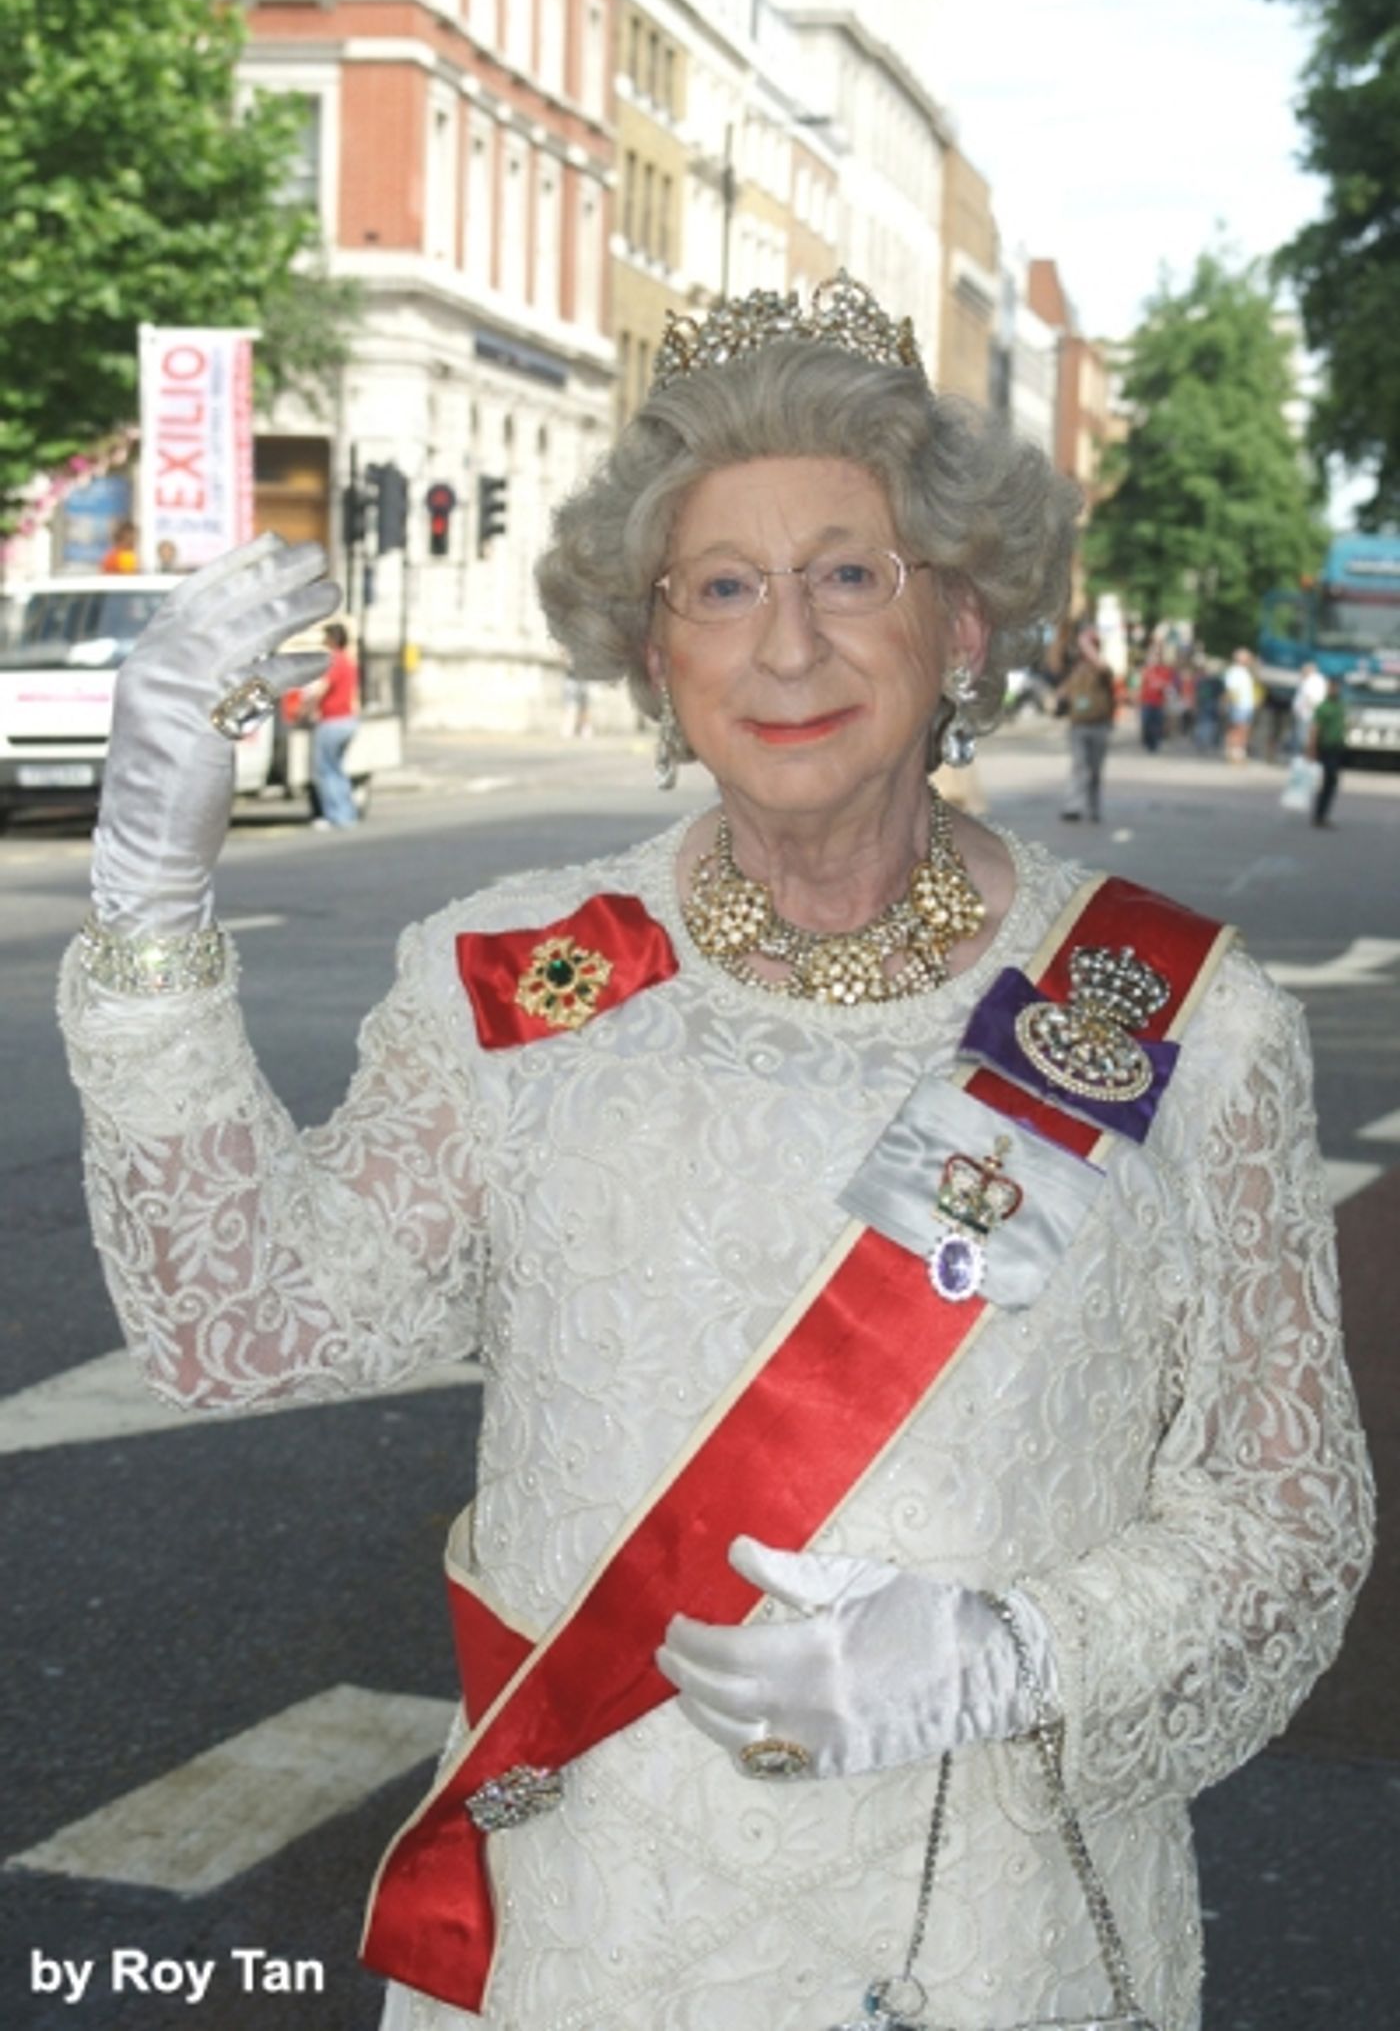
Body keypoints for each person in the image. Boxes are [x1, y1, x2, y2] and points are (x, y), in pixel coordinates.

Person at [58, 275, 1371, 2031]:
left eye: (851, 573)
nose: (788, 645)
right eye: (723, 589)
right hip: (597, 1941)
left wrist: (1019, 1653)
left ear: (962, 625)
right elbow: (252, 1333)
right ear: (657, 654)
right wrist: (148, 917)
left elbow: (1288, 1515)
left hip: (984, 1940)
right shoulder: (516, 980)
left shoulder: (1186, 1022)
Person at [301, 618, 360, 827]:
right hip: (348, 720)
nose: (323, 643)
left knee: (325, 770)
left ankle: (335, 815)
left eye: (325, 638)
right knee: (337, 769)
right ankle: (348, 814)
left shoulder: (333, 660)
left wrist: (306, 707)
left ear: (332, 640)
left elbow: (321, 689)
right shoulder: (349, 660)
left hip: (332, 721)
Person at [1057, 621, 1116, 821]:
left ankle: (1093, 808)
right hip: (1078, 725)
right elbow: (1063, 692)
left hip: (1099, 725)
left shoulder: (1102, 669)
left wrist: (1086, 643)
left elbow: (1104, 668)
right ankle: (1073, 806)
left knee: (1095, 770)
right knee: (1079, 766)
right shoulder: (1075, 670)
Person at [1309, 675, 1348, 828]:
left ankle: (1323, 814)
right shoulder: (1323, 707)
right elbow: (1315, 729)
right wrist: (1311, 749)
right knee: (1328, 781)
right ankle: (1319, 815)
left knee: (1332, 782)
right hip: (1326, 747)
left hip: (1338, 747)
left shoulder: (1340, 705)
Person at [1135, 638, 1174, 753]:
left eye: (1157, 657)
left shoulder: (1165, 671)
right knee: (1146, 723)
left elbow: (1169, 687)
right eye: (1153, 657)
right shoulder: (1145, 671)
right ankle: (1147, 742)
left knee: (1157, 725)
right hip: (1146, 701)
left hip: (1159, 702)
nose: (1155, 659)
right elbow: (1138, 686)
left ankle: (1155, 744)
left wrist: (1163, 687)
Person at [1222, 647, 1257, 763]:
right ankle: (1233, 752)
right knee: (1237, 729)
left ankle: (1240, 752)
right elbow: (1231, 690)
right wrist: (1230, 704)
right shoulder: (1234, 671)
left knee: (1244, 729)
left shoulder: (1246, 672)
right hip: (1239, 705)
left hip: (1247, 705)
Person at [1291, 659, 1327, 754]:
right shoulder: (1317, 679)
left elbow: (1309, 698)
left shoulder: (1311, 681)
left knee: (1304, 738)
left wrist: (1303, 708)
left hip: (1307, 714)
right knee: (1307, 738)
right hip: (1308, 714)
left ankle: (1303, 757)